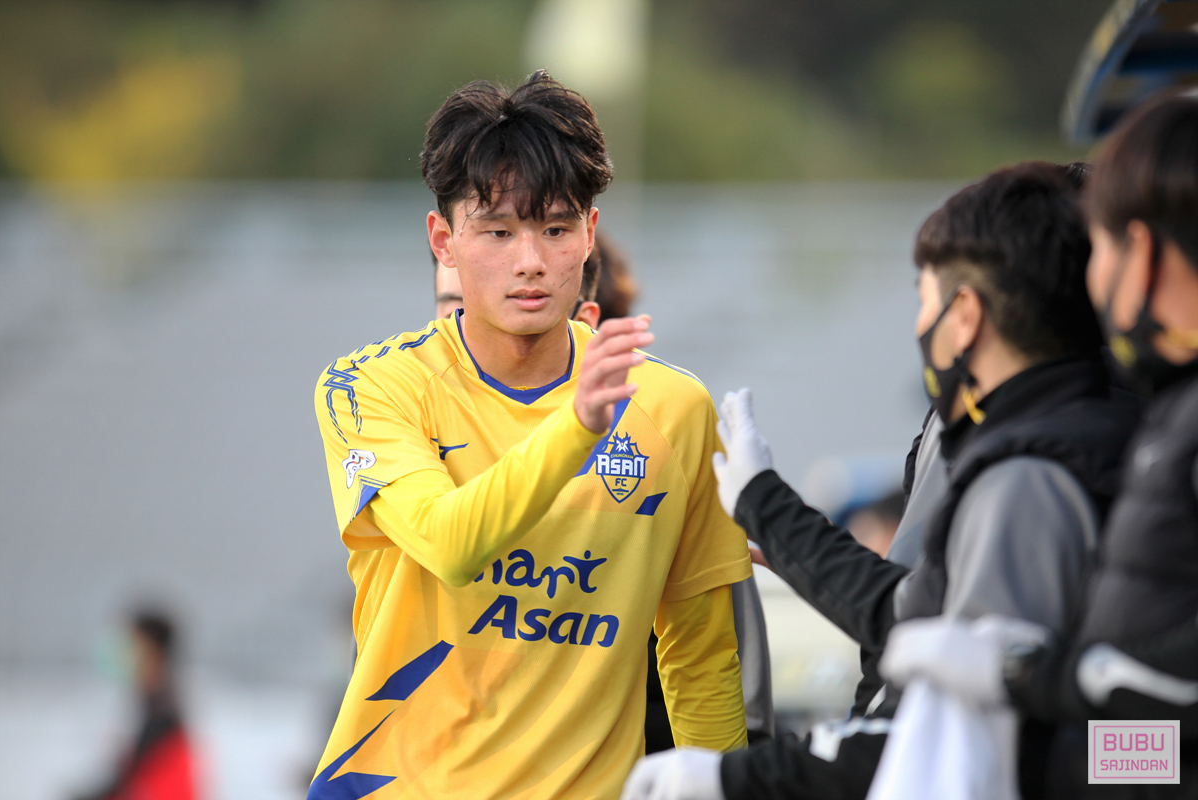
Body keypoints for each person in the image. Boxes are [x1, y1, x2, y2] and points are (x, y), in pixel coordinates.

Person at [621, 162, 1141, 800]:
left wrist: (734, 777)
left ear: (966, 314)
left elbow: (944, 699)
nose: (919, 326)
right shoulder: (1096, 430)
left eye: (924, 300)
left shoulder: (1029, 471)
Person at [310, 71, 751, 800]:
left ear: (590, 235)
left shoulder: (674, 408)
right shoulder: (369, 388)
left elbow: (700, 658)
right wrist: (577, 427)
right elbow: (451, 545)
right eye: (498, 231)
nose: (531, 262)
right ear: (444, 241)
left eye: (555, 229)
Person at [880, 92, 1198, 797]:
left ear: (1141, 251)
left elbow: (1164, 738)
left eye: (1102, 249)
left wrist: (1024, 699)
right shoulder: (1167, 413)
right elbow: (1156, 743)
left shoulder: (1037, 461)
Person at [435, 230, 775, 752]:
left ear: (585, 325)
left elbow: (722, 686)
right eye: (450, 309)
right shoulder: (411, 440)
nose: (462, 330)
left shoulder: (668, 445)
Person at [74, 612, 199, 800]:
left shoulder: (163, 718)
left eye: (132, 647)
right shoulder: (156, 707)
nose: (124, 655)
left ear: (154, 654)